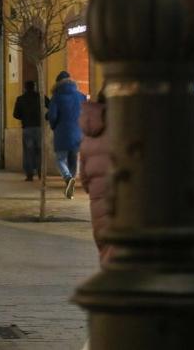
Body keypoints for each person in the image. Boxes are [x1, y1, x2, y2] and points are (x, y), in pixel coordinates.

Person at [79, 92, 112, 264]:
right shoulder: (131, 129)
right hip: (128, 209)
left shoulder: (89, 136)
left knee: (108, 256)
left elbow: (84, 181)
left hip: (99, 206)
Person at [47, 71, 86, 199]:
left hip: (62, 133)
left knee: (60, 159)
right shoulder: (81, 96)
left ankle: (68, 178)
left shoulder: (56, 97)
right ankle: (72, 181)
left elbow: (52, 116)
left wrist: (53, 126)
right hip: (78, 133)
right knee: (73, 159)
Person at [12, 80, 46, 181]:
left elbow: (15, 114)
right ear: (34, 87)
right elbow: (50, 105)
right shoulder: (40, 97)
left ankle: (29, 174)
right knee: (39, 151)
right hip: (39, 128)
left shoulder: (20, 99)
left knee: (28, 152)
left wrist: (24, 117)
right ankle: (41, 173)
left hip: (27, 128)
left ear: (25, 88)